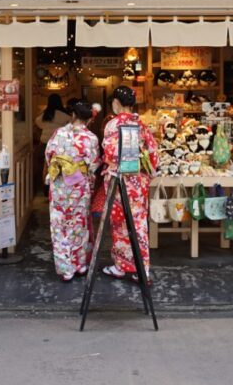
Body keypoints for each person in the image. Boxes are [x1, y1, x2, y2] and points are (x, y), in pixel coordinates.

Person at [101, 86, 158, 282]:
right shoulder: (141, 124)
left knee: (119, 223)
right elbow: (153, 154)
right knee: (139, 223)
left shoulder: (112, 124)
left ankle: (121, 266)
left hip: (119, 181)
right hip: (138, 182)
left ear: (116, 102)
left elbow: (110, 153)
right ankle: (143, 270)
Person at [45, 101, 100, 281]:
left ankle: (65, 268)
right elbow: (93, 165)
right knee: (79, 224)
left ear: (73, 115)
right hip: (80, 187)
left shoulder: (59, 134)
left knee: (60, 225)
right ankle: (80, 264)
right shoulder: (91, 138)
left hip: (61, 185)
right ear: (88, 118)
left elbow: (49, 156)